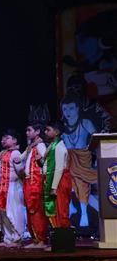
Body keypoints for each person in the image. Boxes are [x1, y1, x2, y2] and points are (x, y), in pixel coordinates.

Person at [60, 90, 98, 227]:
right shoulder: (62, 127)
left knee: (82, 184)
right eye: (65, 109)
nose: (68, 112)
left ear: (77, 108)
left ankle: (84, 214)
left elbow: (97, 140)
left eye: (71, 108)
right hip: (68, 159)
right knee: (70, 183)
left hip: (83, 158)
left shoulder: (85, 123)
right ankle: (74, 208)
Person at [0, 130, 25, 247]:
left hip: (12, 186)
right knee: (1, 212)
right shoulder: (3, 153)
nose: (3, 140)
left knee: (13, 212)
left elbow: (20, 171)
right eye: (2, 138)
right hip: (1, 187)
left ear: (15, 140)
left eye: (6, 138)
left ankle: (17, 238)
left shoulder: (16, 153)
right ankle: (7, 238)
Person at [15, 123, 49, 248]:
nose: (27, 133)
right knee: (30, 210)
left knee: (36, 210)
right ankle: (35, 239)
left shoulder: (40, 145)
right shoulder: (31, 146)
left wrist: (41, 160)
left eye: (29, 130)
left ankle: (41, 239)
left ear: (37, 131)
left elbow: (46, 162)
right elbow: (22, 157)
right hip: (29, 182)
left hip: (36, 182)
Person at [41, 121, 72, 229]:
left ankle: (63, 236)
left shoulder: (58, 146)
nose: (45, 132)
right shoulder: (52, 145)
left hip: (60, 181)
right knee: (56, 210)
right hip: (56, 180)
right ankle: (58, 235)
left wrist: (53, 187)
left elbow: (59, 168)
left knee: (61, 210)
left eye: (48, 130)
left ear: (57, 132)